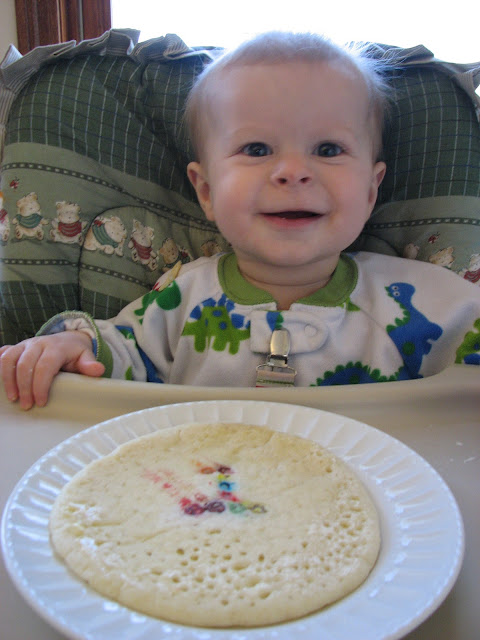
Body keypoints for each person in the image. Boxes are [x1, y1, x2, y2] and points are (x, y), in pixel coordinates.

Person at [1, 31, 479, 409]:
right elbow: (120, 352)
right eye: (257, 149)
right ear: (207, 191)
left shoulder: (420, 299)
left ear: (371, 190)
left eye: (328, 149)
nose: (293, 171)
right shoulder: (180, 299)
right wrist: (71, 345)